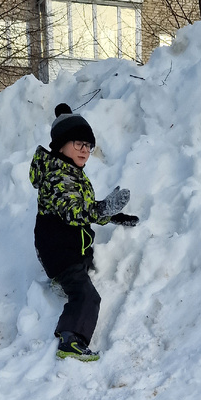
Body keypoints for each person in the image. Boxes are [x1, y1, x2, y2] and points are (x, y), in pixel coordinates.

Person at [29, 104, 138, 362]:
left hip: (69, 248)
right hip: (59, 252)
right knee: (87, 296)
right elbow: (73, 211)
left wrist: (113, 215)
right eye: (78, 143)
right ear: (61, 144)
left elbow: (85, 207)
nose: (85, 151)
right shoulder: (56, 175)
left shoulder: (69, 171)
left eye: (89, 146)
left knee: (83, 266)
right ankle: (71, 339)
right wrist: (102, 209)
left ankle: (63, 281)